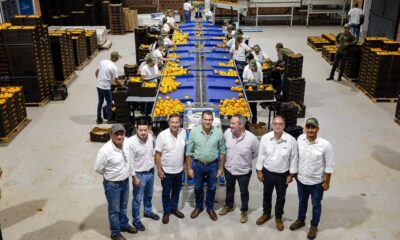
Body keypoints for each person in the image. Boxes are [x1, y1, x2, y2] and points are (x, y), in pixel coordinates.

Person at [290, 117, 335, 240]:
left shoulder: (325, 145)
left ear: (318, 129)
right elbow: (295, 157)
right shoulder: (300, 139)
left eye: (313, 127)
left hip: (316, 183)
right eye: (308, 127)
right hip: (301, 180)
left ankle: (314, 225)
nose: (310, 130)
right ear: (305, 128)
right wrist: (294, 174)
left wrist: (327, 182)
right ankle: (301, 220)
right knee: (302, 202)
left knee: (316, 205)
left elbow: (330, 165)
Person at [94, 124, 137, 240]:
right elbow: (98, 168)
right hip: (112, 185)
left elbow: (130, 160)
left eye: (121, 133)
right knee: (114, 210)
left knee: (123, 206)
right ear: (110, 135)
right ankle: (115, 233)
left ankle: (123, 225)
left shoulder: (127, 142)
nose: (119, 137)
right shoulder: (105, 151)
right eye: (116, 134)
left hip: (125, 181)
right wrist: (110, 175)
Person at [255, 116, 298, 231]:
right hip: (268, 173)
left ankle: (278, 217)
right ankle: (266, 214)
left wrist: (291, 175)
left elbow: (294, 159)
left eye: (280, 124)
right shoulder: (265, 138)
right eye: (275, 124)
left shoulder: (291, 140)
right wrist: (259, 171)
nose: (278, 126)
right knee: (266, 195)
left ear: (284, 126)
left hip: (283, 175)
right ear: (272, 125)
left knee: (281, 197)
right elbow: (261, 155)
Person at [186, 110, 226, 221]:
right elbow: (189, 152)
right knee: (198, 187)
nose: (207, 122)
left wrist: (221, 168)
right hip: (197, 165)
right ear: (201, 120)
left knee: (212, 188)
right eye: (205, 119)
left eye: (210, 120)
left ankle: (210, 208)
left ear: (213, 120)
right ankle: (198, 207)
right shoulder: (194, 132)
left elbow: (223, 151)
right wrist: (189, 168)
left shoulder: (218, 132)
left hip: (213, 165)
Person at [218, 114, 259, 223]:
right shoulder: (227, 134)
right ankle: (228, 205)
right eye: (230, 123)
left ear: (241, 125)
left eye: (233, 123)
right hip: (229, 168)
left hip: (244, 171)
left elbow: (255, 153)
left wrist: (244, 161)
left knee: (244, 191)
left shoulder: (251, 139)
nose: (230, 125)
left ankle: (244, 210)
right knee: (229, 188)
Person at [127, 118, 160, 232]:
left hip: (150, 172)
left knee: (149, 195)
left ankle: (147, 211)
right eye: (140, 130)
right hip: (139, 174)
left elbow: (154, 151)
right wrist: (134, 177)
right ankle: (136, 220)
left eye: (145, 130)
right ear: (136, 129)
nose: (143, 133)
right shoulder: (131, 142)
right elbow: (130, 162)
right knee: (137, 199)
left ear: (148, 129)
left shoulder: (151, 137)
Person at [155, 114, 187, 224]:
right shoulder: (162, 136)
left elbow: (183, 150)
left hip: (179, 170)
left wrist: (183, 164)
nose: (175, 124)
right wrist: (159, 170)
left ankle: (174, 208)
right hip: (166, 171)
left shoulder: (183, 132)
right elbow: (158, 154)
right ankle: (166, 211)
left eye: (177, 122)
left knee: (177, 191)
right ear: (168, 123)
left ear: (180, 123)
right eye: (172, 122)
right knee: (166, 192)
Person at [95, 51, 124, 124]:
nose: (118, 59)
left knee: (100, 101)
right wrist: (123, 86)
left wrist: (100, 80)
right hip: (106, 87)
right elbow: (116, 80)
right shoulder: (113, 67)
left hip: (98, 85)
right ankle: (109, 119)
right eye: (117, 58)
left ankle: (98, 118)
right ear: (114, 57)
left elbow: (96, 72)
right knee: (109, 102)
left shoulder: (102, 61)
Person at [243, 59, 263, 124]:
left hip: (255, 89)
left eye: (253, 69)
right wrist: (249, 81)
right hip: (247, 88)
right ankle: (245, 123)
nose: (252, 70)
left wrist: (256, 83)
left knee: (254, 107)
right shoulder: (246, 69)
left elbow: (261, 81)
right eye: (251, 68)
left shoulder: (259, 71)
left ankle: (254, 122)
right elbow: (243, 80)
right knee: (246, 107)